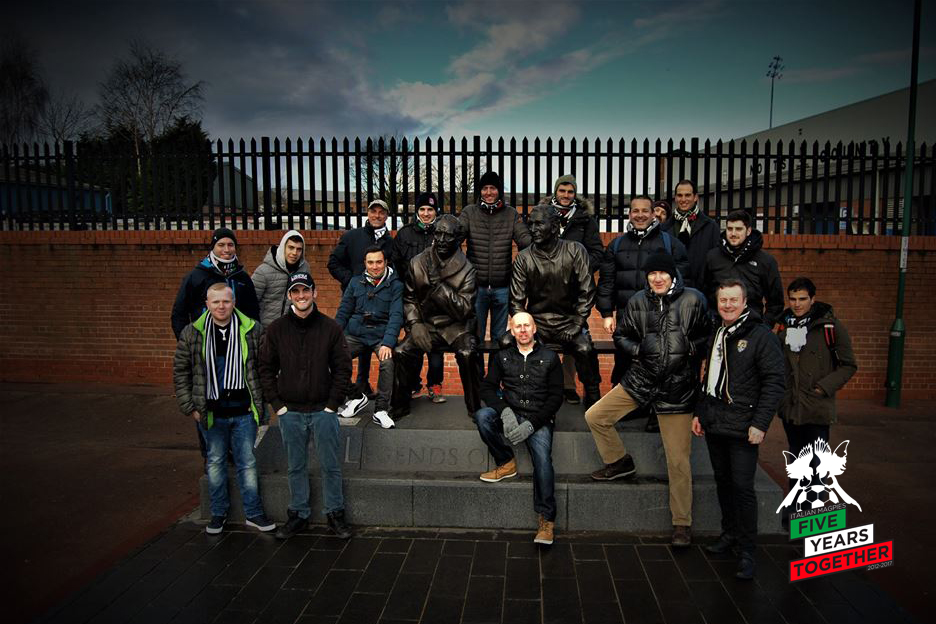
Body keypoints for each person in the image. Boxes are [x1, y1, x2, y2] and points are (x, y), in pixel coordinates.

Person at [585, 251, 709, 547]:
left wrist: (690, 347)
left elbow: (709, 333)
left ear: (672, 274)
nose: (657, 278)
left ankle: (682, 523)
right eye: (652, 273)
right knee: (596, 416)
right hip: (642, 378)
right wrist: (639, 350)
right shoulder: (638, 301)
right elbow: (622, 336)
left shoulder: (693, 299)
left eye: (662, 273)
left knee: (677, 460)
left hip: (677, 386)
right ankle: (619, 461)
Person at [692, 279, 785, 579]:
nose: (728, 305)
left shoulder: (761, 336)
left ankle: (747, 551)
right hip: (715, 422)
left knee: (743, 488)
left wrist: (760, 424)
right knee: (723, 482)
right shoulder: (717, 332)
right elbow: (707, 378)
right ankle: (729, 533)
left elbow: (774, 383)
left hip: (744, 427)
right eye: (723, 300)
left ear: (745, 302)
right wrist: (700, 413)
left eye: (734, 300)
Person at [173, 283, 274, 535]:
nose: (221, 306)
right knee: (216, 463)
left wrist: (262, 405)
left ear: (234, 303)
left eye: (226, 301)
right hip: (211, 412)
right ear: (207, 304)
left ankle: (253, 513)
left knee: (247, 463)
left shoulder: (252, 329)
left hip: (244, 411)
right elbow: (181, 372)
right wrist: (190, 407)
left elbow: (264, 369)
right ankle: (218, 513)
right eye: (216, 302)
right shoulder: (192, 333)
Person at [258, 272, 354, 540]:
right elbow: (265, 368)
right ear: (289, 295)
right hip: (290, 412)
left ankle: (335, 514)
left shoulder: (330, 328)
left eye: (305, 290)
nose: (301, 296)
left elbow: (343, 368)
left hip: (324, 411)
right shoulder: (276, 329)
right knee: (295, 466)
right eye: (296, 291)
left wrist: (332, 405)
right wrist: (278, 405)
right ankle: (298, 515)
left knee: (330, 465)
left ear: (314, 292)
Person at [475, 312, 563, 545]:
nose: (523, 330)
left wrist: (534, 423)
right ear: (512, 331)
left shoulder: (550, 357)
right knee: (483, 417)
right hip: (511, 411)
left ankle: (546, 519)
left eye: (527, 325)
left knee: (543, 461)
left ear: (534, 329)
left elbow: (556, 397)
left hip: (539, 417)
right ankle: (506, 462)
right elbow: (487, 388)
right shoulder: (502, 356)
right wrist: (504, 412)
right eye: (518, 326)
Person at [777, 277, 857, 526]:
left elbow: (848, 365)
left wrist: (824, 387)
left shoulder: (830, 327)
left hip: (816, 406)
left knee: (816, 466)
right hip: (791, 406)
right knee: (796, 462)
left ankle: (812, 521)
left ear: (812, 299)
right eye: (793, 299)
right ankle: (794, 515)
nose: (797, 304)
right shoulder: (783, 325)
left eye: (802, 299)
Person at [509, 204, 601, 408]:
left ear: (554, 226)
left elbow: (587, 291)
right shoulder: (524, 258)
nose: (533, 229)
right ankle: (520, 395)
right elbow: (516, 302)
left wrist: (577, 323)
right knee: (506, 342)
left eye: (539, 224)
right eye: (531, 224)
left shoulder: (575, 250)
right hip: (537, 324)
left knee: (585, 348)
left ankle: (593, 395)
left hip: (569, 321)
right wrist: (526, 328)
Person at [391, 215, 482, 419]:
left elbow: (464, 309)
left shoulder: (468, 269)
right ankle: (399, 406)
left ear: (457, 239)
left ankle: (475, 408)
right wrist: (415, 324)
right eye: (438, 234)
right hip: (426, 325)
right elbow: (409, 298)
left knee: (468, 353)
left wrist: (439, 287)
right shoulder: (417, 262)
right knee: (401, 351)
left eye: (447, 236)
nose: (441, 240)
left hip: (457, 326)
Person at [598, 195, 689, 386]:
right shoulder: (616, 245)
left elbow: (684, 280)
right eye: (636, 211)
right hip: (627, 319)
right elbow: (607, 281)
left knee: (659, 369)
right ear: (630, 214)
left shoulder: (670, 244)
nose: (640, 215)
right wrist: (606, 313)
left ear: (653, 213)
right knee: (623, 368)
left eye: (645, 210)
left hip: (661, 319)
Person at [327, 199, 395, 396]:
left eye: (381, 212)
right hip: (355, 301)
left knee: (371, 339)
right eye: (373, 211)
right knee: (353, 340)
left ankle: (363, 383)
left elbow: (394, 269)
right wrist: (351, 281)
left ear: (386, 216)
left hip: (379, 304)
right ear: (368, 213)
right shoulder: (352, 236)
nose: (377, 215)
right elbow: (333, 262)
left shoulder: (391, 242)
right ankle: (353, 388)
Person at [546, 175, 604, 404]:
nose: (566, 195)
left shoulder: (585, 219)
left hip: (574, 290)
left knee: (574, 338)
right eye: (562, 190)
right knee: (547, 338)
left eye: (570, 191)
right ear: (555, 192)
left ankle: (569, 386)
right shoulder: (544, 215)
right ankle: (551, 387)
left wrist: (579, 268)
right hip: (547, 288)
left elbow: (597, 252)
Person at [458, 171, 531, 348]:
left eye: (493, 188)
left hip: (502, 287)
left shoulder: (511, 214)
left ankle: (495, 368)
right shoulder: (469, 212)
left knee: (500, 341)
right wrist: (462, 270)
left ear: (499, 191)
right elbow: (454, 239)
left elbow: (525, 242)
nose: (489, 192)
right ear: (480, 191)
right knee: (475, 338)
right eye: (485, 188)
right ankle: (476, 369)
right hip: (476, 288)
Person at [334, 245, 403, 429]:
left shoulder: (396, 285)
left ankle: (381, 410)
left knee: (387, 362)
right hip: (356, 334)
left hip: (381, 337)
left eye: (379, 262)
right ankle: (356, 396)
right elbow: (343, 312)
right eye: (370, 262)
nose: (374, 266)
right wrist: (332, 337)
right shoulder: (355, 282)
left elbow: (396, 316)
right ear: (365, 263)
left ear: (386, 262)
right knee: (327, 356)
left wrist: (388, 343)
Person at [391, 192, 446, 403]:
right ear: (417, 211)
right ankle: (414, 385)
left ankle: (435, 385)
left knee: (435, 346)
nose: (426, 213)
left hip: (437, 300)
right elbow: (395, 263)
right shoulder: (405, 234)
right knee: (413, 342)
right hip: (412, 299)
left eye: (430, 209)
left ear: (436, 211)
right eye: (422, 209)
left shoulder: (443, 232)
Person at [171, 227, 260, 340]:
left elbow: (253, 312)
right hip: (205, 339)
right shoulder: (196, 276)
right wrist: (186, 342)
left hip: (238, 341)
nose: (226, 249)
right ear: (213, 247)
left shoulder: (242, 277)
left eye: (230, 245)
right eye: (221, 245)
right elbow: (179, 313)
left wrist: (253, 340)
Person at [702, 209, 785, 327]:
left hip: (751, 326)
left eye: (738, 229)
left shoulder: (765, 261)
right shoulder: (712, 257)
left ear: (748, 231)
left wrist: (763, 327)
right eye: (730, 229)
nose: (733, 233)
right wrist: (711, 321)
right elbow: (704, 292)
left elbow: (776, 302)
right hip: (718, 326)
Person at [660, 179, 720, 289]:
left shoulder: (710, 227)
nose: (683, 199)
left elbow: (716, 262)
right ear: (675, 198)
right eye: (680, 195)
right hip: (671, 289)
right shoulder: (664, 229)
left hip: (702, 290)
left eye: (687, 195)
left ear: (695, 197)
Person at [252, 229, 310, 328]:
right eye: (291, 248)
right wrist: (258, 329)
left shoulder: (305, 269)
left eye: (299, 249)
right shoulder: (263, 271)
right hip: (266, 329)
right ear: (283, 247)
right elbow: (250, 303)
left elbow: (308, 298)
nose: (294, 253)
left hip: (293, 329)